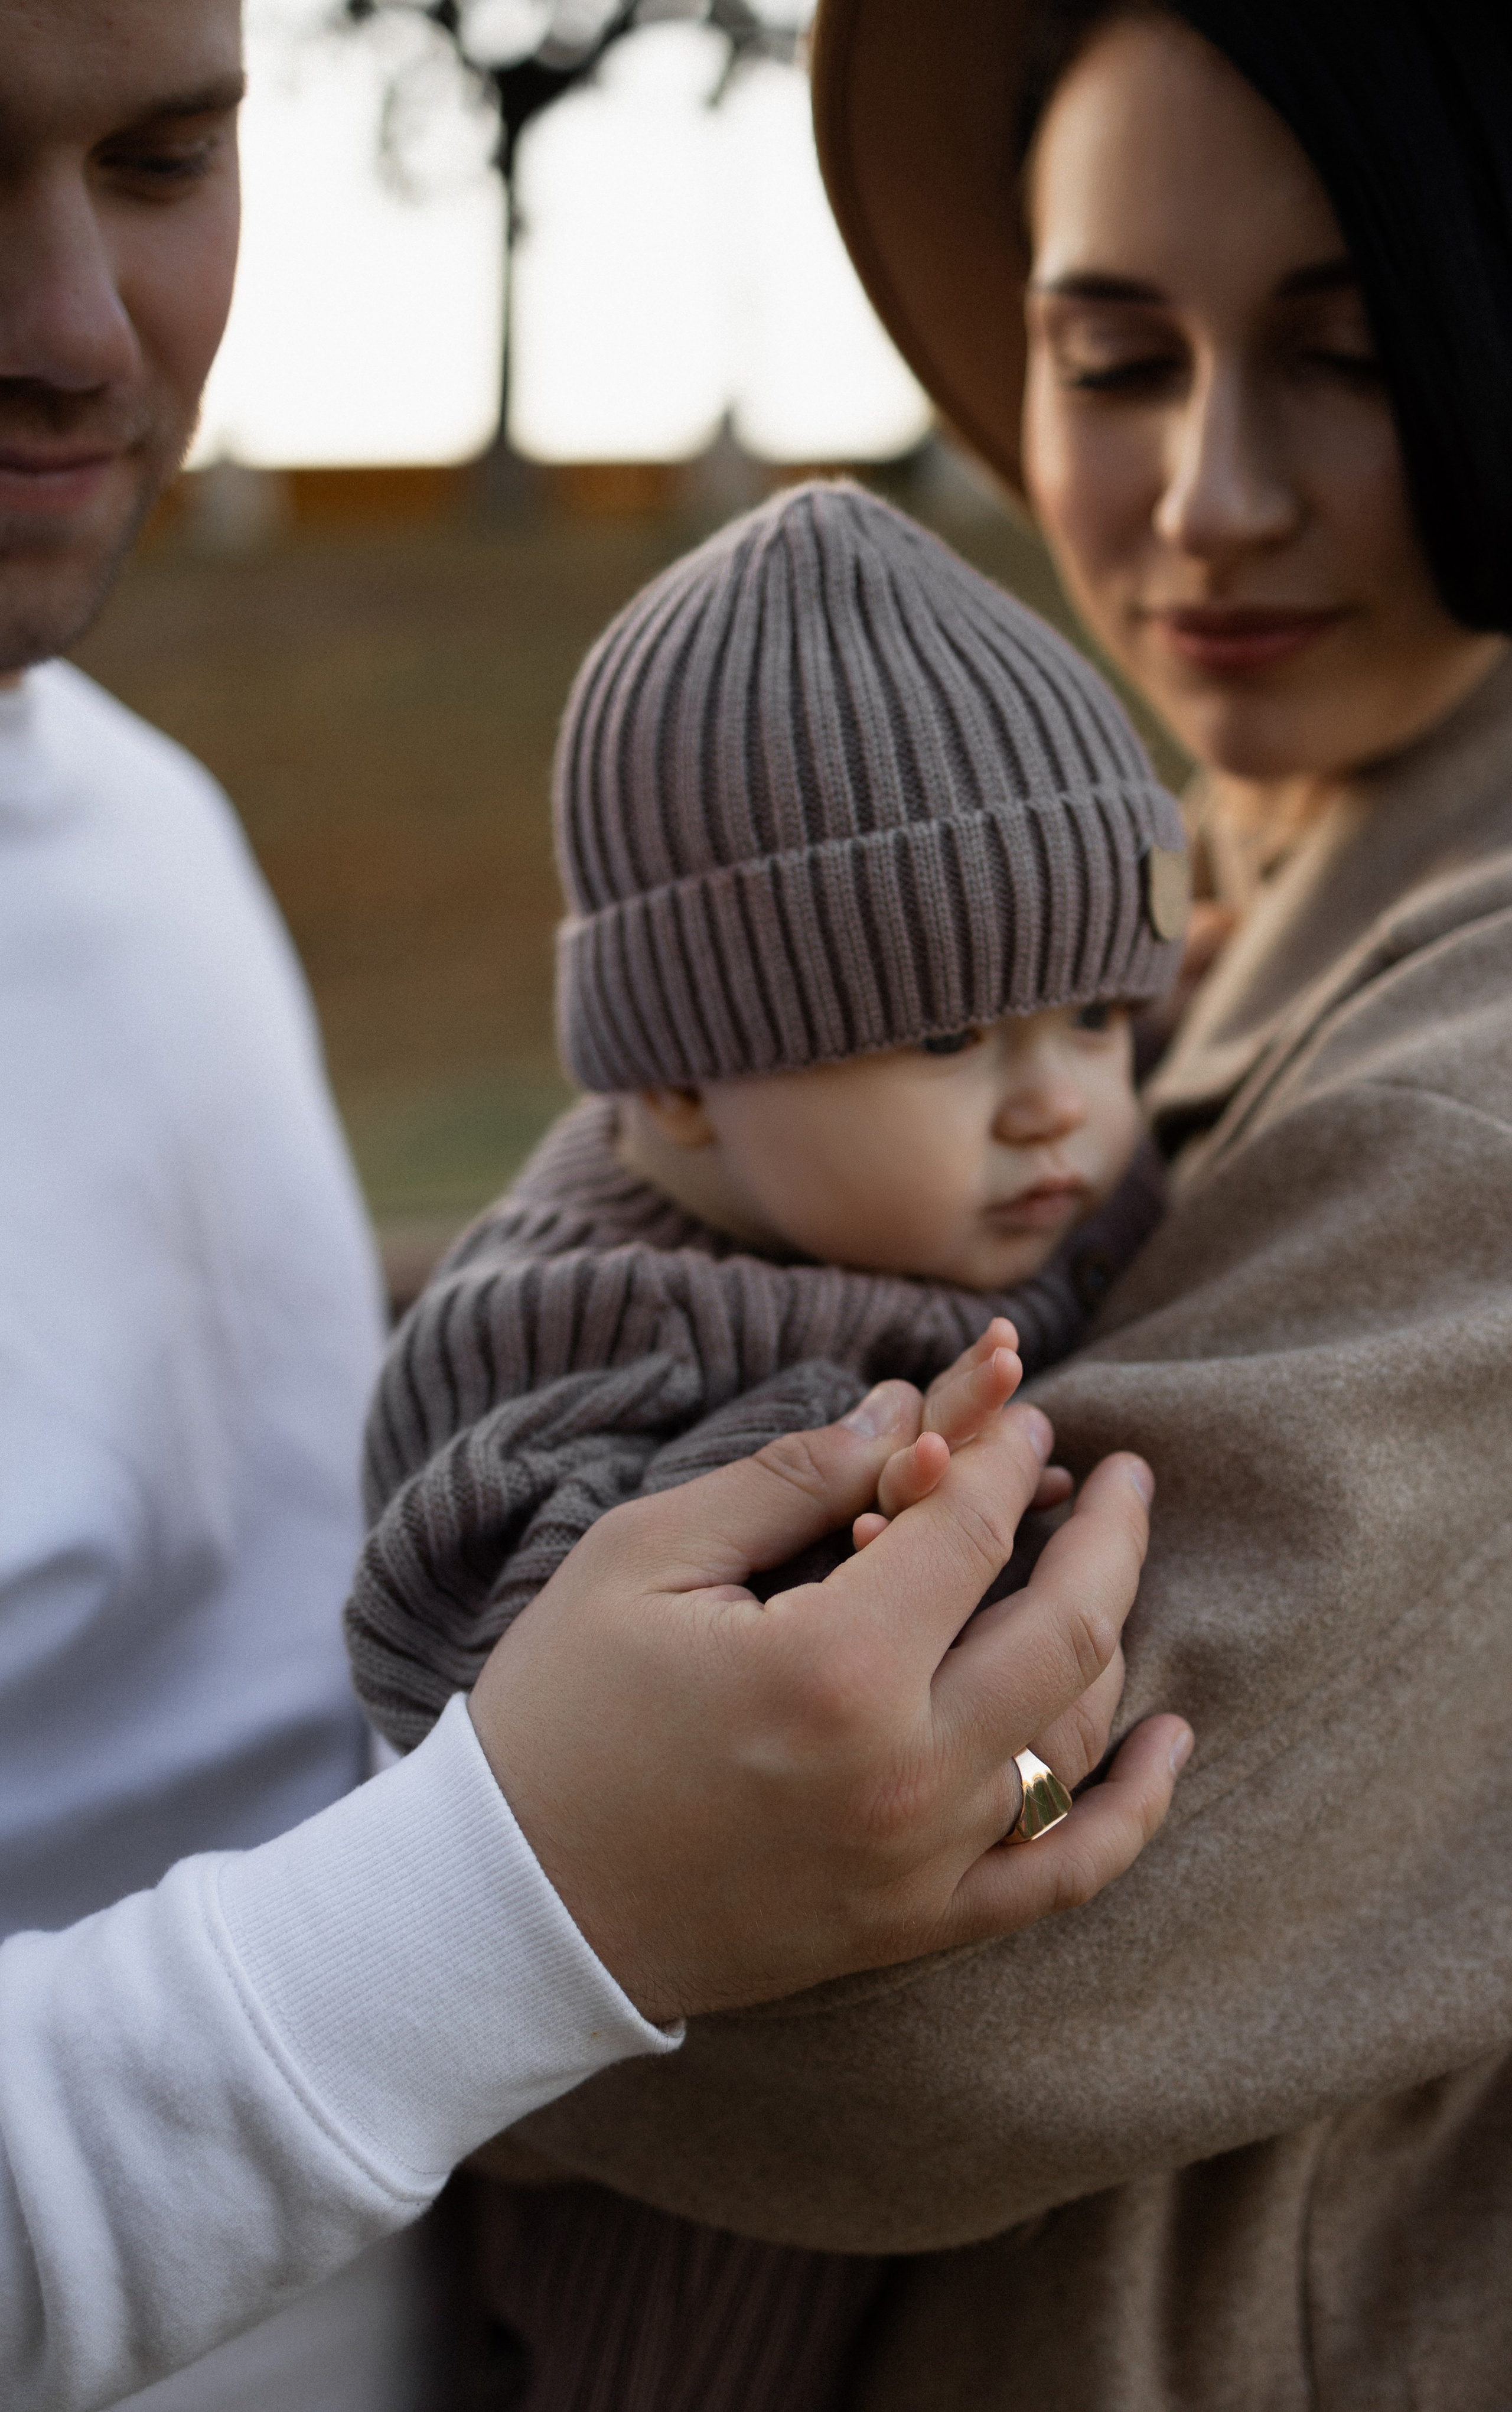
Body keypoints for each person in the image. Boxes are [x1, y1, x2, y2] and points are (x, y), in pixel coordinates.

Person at [0, 5, 1192, 2410]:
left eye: (161, 157)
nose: (72, 329)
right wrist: (524, 1901)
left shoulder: (141, 831)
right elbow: (503, 1505)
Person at [426, 2, 1512, 2405]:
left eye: (1347, 355)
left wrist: (391, 1897)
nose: (1209, 493)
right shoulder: (1212, 905)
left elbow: (935, 2006)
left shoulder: (1478, 1085)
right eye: (1111, 357)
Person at [341, 474, 1187, 2409]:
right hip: (664, 2218)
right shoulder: (576, 1310)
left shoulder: (992, 1196)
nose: (1059, 1109)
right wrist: (845, 1479)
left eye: (1097, 1016)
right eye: (955, 1039)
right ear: (682, 1081)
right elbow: (470, 1647)